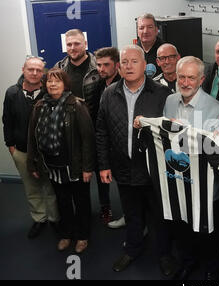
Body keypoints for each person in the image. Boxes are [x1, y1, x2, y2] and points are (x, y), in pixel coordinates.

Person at [96, 45, 171, 272]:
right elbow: (102, 132)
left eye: (134, 61)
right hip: (123, 168)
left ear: (144, 65)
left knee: (159, 216)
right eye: (124, 62)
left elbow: (171, 132)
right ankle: (133, 249)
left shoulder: (161, 94)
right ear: (118, 67)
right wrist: (104, 165)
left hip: (152, 170)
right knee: (132, 214)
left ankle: (165, 255)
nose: (129, 66)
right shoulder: (109, 94)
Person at [160, 56, 219, 280]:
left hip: (204, 184)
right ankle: (188, 262)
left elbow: (212, 149)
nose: (185, 82)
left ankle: (211, 270)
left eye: (191, 78)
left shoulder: (215, 108)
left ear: (201, 80)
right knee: (182, 227)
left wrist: (185, 134)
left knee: (207, 230)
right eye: (181, 77)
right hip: (178, 179)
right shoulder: (169, 101)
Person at [27, 68, 96, 253]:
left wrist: (87, 167)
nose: (52, 84)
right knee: (62, 202)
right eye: (49, 81)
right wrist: (32, 162)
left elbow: (88, 139)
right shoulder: (39, 106)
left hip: (75, 166)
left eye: (57, 81)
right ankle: (66, 234)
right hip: (53, 168)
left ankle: (82, 236)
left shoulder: (77, 105)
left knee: (81, 202)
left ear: (65, 84)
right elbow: (32, 137)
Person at [2, 56, 59, 239]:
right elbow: (7, 121)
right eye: (30, 69)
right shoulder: (12, 93)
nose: (34, 73)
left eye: (38, 70)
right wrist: (11, 147)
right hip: (21, 151)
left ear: (43, 73)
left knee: (50, 187)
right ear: (23, 70)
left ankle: (54, 219)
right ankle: (39, 218)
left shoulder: (50, 93)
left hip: (47, 152)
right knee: (31, 188)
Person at [82, 46, 121, 225]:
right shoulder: (94, 84)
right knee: (101, 176)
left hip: (120, 140)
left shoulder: (124, 83)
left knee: (124, 179)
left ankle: (130, 214)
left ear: (116, 65)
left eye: (106, 64)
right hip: (101, 138)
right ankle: (106, 208)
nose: (101, 69)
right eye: (98, 65)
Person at [54, 29, 100, 102]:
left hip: (93, 113)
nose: (72, 48)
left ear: (85, 44)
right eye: (69, 45)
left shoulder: (99, 66)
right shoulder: (59, 68)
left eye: (77, 44)